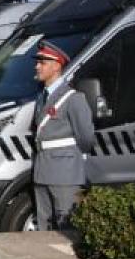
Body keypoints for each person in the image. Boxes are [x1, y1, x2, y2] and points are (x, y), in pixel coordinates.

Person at [32, 40, 95, 231]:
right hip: (42, 168)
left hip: (65, 171)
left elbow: (86, 137)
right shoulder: (42, 97)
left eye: (42, 62)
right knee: (44, 225)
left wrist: (74, 159)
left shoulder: (73, 98)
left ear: (56, 66)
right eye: (38, 62)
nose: (37, 66)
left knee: (65, 226)